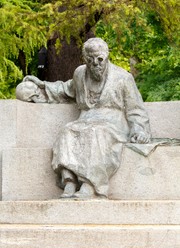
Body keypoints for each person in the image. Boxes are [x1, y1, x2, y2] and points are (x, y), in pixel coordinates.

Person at [17, 38, 151, 199]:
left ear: (107, 57)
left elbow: (136, 109)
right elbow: (65, 90)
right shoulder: (80, 73)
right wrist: (42, 87)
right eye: (90, 59)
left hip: (112, 124)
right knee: (67, 131)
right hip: (85, 120)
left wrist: (139, 130)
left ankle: (90, 184)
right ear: (85, 59)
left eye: (100, 59)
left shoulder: (123, 78)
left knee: (96, 133)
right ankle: (69, 181)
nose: (96, 63)